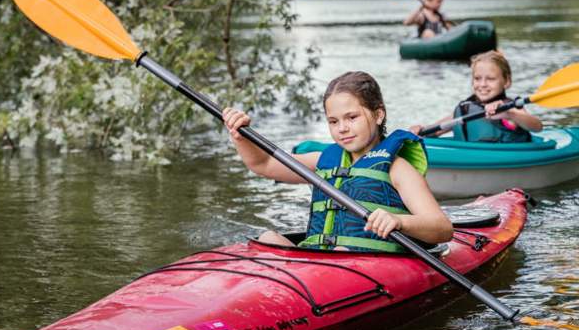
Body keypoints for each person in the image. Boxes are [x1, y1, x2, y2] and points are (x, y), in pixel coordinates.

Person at [223, 71, 453, 252]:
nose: (342, 128)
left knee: (342, 250)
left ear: (378, 114)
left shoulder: (397, 168)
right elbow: (263, 165)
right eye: (333, 121)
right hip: (322, 261)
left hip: (367, 265)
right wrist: (240, 136)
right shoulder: (323, 160)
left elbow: (441, 229)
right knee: (268, 238)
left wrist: (399, 221)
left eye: (352, 118)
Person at [410, 50, 543, 142]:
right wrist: (419, 131)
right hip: (467, 160)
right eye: (477, 78)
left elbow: (537, 126)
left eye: (490, 79)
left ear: (506, 81)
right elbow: (436, 130)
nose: (482, 84)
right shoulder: (466, 108)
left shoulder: (510, 107)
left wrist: (510, 114)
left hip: (506, 160)